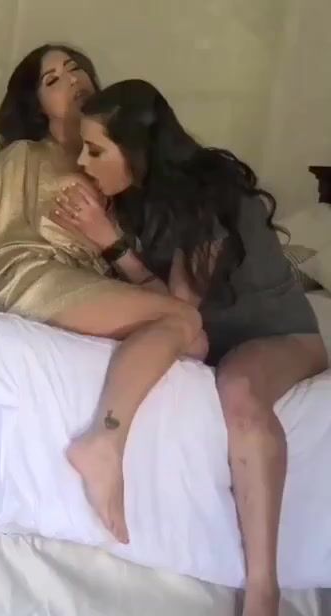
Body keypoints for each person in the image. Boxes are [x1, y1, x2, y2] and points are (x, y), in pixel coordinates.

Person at [0, 45, 207, 545]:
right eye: (52, 79)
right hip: (24, 273)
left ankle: (103, 443)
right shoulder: (25, 157)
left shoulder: (118, 167)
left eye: (76, 68)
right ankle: (103, 444)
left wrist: (110, 236)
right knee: (184, 323)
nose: (72, 79)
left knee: (192, 338)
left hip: (86, 283)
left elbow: (145, 270)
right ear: (38, 105)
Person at [52, 78, 328, 616]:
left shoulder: (210, 194)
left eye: (95, 150)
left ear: (135, 150)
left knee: (240, 390)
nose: (83, 162)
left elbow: (179, 308)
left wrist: (110, 242)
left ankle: (264, 589)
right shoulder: (136, 196)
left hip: (277, 336)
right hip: (213, 336)